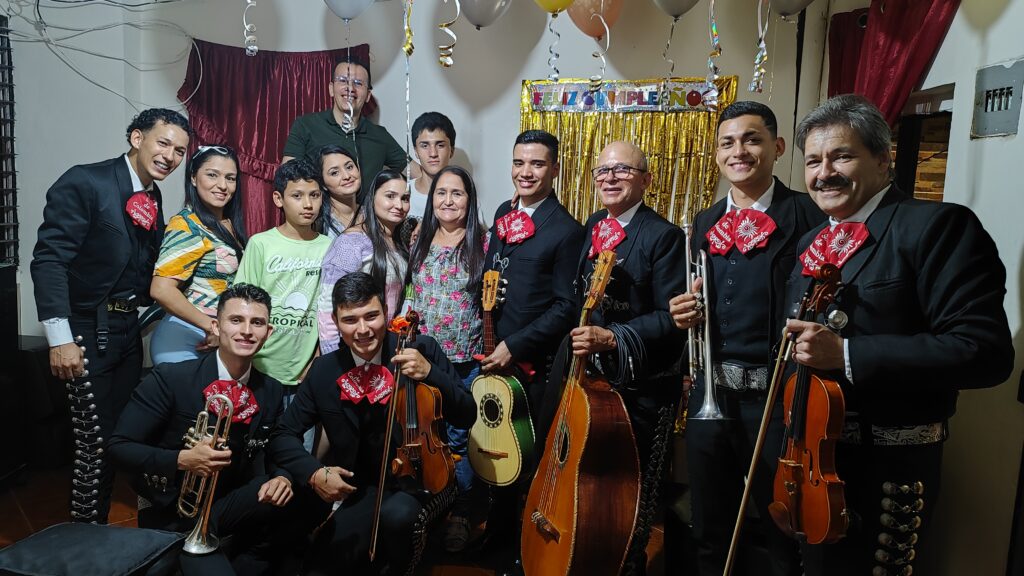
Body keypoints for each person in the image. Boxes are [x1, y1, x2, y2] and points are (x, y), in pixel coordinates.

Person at [784, 94, 1012, 575]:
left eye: (841, 156)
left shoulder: (936, 227)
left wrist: (847, 354)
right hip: (810, 463)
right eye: (812, 161)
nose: (824, 172)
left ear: (884, 158)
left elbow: (984, 352)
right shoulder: (811, 242)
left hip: (888, 468)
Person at [667, 101, 824, 576]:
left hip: (777, 399)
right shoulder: (704, 219)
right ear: (716, 154)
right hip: (712, 396)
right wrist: (683, 312)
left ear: (777, 148)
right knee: (708, 521)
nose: (739, 151)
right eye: (728, 142)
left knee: (782, 524)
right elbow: (696, 296)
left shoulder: (808, 214)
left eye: (752, 139)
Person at [31, 108, 191, 523]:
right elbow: (49, 260)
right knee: (94, 445)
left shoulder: (152, 195)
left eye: (179, 151)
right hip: (84, 329)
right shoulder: (86, 181)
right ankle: (85, 540)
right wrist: (59, 339)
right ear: (137, 138)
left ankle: (126, 539)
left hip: (125, 331)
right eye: (163, 143)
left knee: (125, 438)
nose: (170, 156)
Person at [269, 272, 476, 576]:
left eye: (371, 316)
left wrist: (431, 372)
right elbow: (283, 433)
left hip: (427, 481)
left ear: (386, 313)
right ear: (336, 323)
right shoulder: (325, 371)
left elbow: (467, 414)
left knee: (397, 522)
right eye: (350, 320)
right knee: (319, 569)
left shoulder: (422, 349)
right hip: (366, 489)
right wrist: (314, 472)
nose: (363, 329)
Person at [109, 284, 296, 575]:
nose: (247, 331)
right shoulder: (170, 379)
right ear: (216, 326)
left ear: (268, 332)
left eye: (256, 323)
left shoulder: (271, 390)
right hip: (172, 507)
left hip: (228, 505)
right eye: (236, 320)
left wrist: (283, 476)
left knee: (299, 500)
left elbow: (277, 447)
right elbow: (118, 448)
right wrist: (182, 459)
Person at [564, 140, 688, 575]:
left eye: (622, 170)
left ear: (646, 180)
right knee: (593, 481)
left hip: (643, 384)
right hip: (595, 381)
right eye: (602, 171)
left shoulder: (665, 236)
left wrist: (613, 338)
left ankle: (628, 561)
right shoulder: (597, 222)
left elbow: (673, 318)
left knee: (632, 488)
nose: (610, 178)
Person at [478, 129, 584, 572]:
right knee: (497, 452)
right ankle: (498, 539)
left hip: (533, 365)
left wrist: (513, 345)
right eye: (520, 162)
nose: (526, 172)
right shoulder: (504, 211)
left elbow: (566, 308)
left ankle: (529, 552)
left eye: (537, 164)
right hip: (492, 355)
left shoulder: (567, 230)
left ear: (555, 169)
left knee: (531, 459)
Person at [405, 164, 487, 552]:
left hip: (467, 359)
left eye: (457, 193)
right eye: (441, 193)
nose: (448, 200)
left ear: (469, 200)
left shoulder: (483, 244)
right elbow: (410, 292)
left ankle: (464, 512)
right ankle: (433, 506)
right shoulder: (416, 240)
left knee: (462, 437)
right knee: (429, 437)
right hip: (424, 359)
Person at [234, 159, 331, 397]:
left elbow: (331, 310)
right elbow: (242, 302)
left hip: (305, 369)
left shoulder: (330, 247)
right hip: (259, 366)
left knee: (299, 435)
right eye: (297, 196)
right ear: (279, 199)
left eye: (315, 195)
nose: (308, 204)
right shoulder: (261, 243)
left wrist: (317, 360)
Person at [150, 145, 249, 365]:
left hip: (215, 338)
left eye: (230, 178)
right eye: (212, 175)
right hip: (185, 340)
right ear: (194, 178)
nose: (222, 185)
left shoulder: (228, 224)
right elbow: (161, 289)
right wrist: (211, 326)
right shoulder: (187, 224)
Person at [282, 53, 406, 199]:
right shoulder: (306, 125)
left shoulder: (379, 135)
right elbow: (286, 178)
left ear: (367, 95)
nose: (350, 88)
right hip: (318, 219)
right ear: (331, 88)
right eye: (342, 81)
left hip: (365, 220)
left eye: (358, 83)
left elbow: (418, 174)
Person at [317, 169, 410, 355]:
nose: (398, 205)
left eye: (405, 198)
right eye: (390, 196)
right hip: (353, 346)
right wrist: (333, 354)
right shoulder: (352, 241)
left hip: (385, 345)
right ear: (372, 197)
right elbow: (328, 303)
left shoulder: (399, 241)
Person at [409, 112, 456, 219]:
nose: (433, 153)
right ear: (416, 151)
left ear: (451, 150)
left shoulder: (463, 198)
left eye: (440, 145)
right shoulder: (402, 193)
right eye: (425, 146)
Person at [317, 143, 363, 239]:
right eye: (334, 173)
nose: (347, 176)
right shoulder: (317, 221)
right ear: (323, 184)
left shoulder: (374, 214)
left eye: (349, 167)